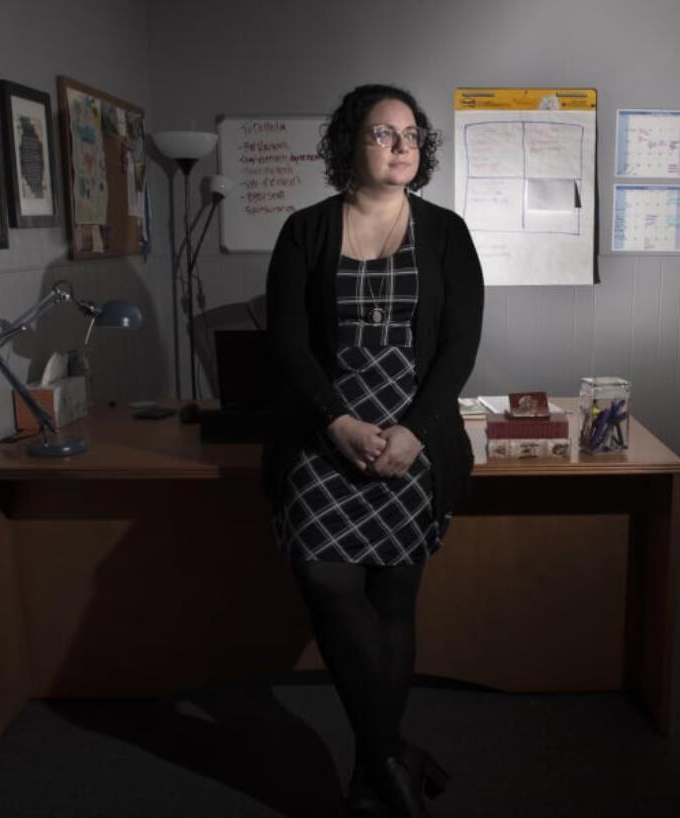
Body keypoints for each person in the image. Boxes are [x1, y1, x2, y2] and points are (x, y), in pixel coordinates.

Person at [262, 84, 484, 817]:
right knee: (327, 582)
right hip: (330, 436)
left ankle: (375, 761)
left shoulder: (447, 232)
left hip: (414, 440)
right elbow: (289, 344)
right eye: (383, 133)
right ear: (346, 145)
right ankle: (392, 755)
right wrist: (337, 422)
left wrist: (416, 431)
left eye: (412, 134)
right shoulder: (306, 231)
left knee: (394, 596)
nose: (401, 145)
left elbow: (458, 348)